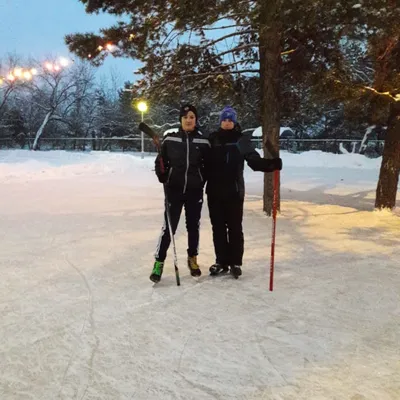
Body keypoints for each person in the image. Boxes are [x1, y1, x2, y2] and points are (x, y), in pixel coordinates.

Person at [206, 106, 282, 278]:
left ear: (234, 121)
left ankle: (235, 262)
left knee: (234, 228)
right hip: (214, 192)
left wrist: (271, 164)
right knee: (217, 228)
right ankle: (221, 261)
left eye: (230, 120)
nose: (227, 123)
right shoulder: (212, 139)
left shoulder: (241, 140)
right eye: (224, 120)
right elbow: (201, 161)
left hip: (234, 191)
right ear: (220, 121)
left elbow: (254, 161)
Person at [150, 104, 211, 283]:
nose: (188, 120)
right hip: (174, 191)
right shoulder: (170, 140)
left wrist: (201, 181)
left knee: (193, 227)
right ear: (180, 120)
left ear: (196, 119)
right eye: (185, 117)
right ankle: (159, 262)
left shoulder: (203, 141)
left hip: (194, 192)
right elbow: (160, 162)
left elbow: (208, 166)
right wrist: (162, 174)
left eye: (192, 116)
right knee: (168, 228)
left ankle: (193, 258)